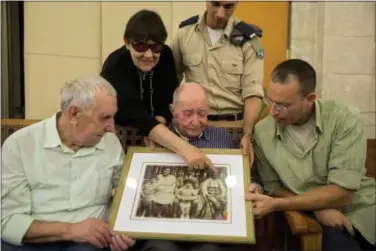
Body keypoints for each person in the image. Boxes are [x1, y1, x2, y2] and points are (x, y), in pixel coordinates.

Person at [247, 59, 376, 251]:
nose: (273, 112)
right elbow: (272, 187)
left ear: (310, 99)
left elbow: (343, 193)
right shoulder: (262, 132)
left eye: (283, 105)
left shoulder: (345, 118)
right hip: (319, 223)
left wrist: (283, 205)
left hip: (363, 210)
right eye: (269, 100)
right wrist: (316, 209)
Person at [1, 76, 135, 251]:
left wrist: (123, 229)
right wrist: (71, 230)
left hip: (88, 244)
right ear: (74, 114)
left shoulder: (110, 143)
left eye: (113, 117)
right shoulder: (20, 145)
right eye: (104, 117)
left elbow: (124, 196)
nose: (112, 127)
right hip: (31, 241)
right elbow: (7, 220)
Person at [139, 82, 262, 251]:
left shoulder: (222, 137)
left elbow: (239, 178)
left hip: (210, 227)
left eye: (202, 113)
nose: (195, 121)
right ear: (173, 111)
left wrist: (255, 189)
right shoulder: (157, 138)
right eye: (187, 113)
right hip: (165, 226)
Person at [100, 9, 215, 172]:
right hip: (121, 138)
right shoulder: (114, 67)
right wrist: (186, 149)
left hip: (159, 135)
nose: (148, 55)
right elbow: (134, 114)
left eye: (156, 47)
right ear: (127, 42)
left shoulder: (166, 55)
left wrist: (160, 120)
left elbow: (170, 97)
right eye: (140, 46)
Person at [170, 1, 265, 162]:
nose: (221, 13)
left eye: (228, 7)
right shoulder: (184, 34)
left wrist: (247, 134)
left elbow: (253, 93)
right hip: (194, 128)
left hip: (235, 129)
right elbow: (172, 82)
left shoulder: (249, 40)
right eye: (215, 4)